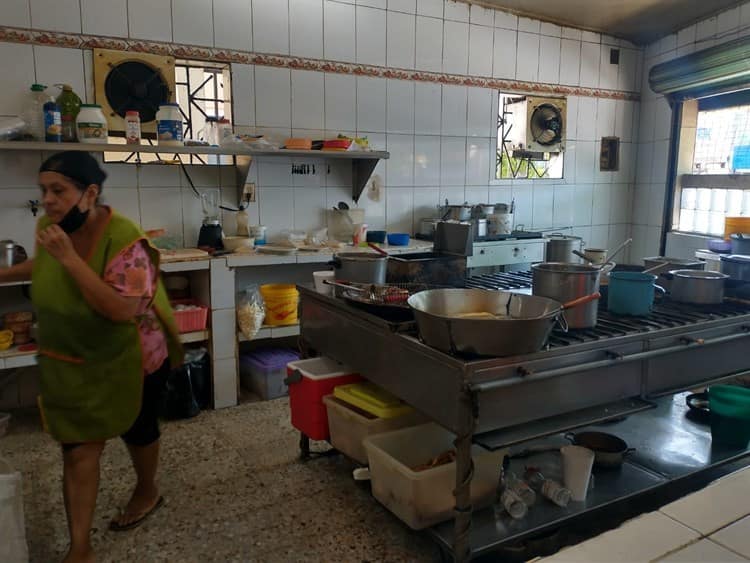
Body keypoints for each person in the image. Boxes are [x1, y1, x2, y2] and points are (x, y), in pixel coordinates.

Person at [0, 151, 183, 563]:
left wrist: (68, 257)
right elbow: (44, 261)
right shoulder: (53, 227)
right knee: (80, 448)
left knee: (138, 431)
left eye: (58, 190)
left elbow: (122, 310)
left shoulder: (124, 238)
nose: (47, 200)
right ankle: (79, 548)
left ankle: (146, 489)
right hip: (77, 358)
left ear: (90, 193)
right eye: (44, 190)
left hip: (134, 360)